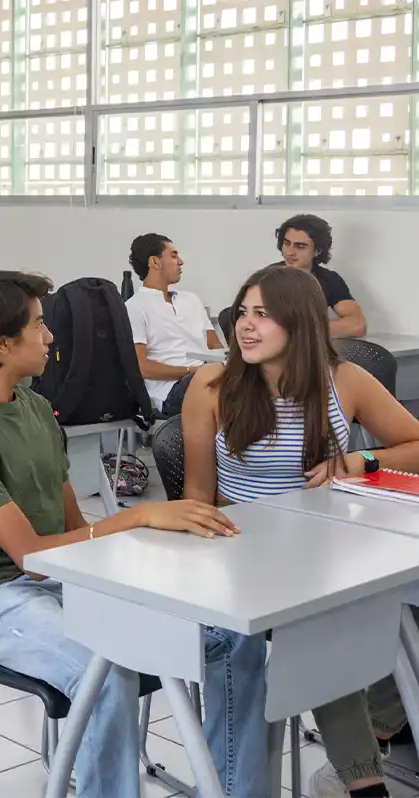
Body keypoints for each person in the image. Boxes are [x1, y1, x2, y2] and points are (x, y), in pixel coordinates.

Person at [0, 270, 269, 798]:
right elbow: (30, 558)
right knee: (105, 671)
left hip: (62, 577)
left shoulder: (38, 409)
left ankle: (235, 792)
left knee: (233, 639)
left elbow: (76, 532)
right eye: (39, 326)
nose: (50, 337)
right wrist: (138, 516)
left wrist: (150, 559)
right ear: (2, 344)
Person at [182, 264, 419, 798]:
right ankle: (365, 779)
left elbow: (414, 444)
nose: (245, 326)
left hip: (328, 547)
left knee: (373, 610)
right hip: (247, 558)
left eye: (263, 315)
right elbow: (197, 496)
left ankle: (382, 730)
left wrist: (361, 460)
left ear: (300, 324)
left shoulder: (344, 381)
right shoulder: (210, 386)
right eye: (242, 312)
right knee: (323, 625)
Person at [126, 233, 223, 416]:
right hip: (171, 391)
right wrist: (192, 371)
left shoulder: (191, 299)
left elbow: (214, 347)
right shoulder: (134, 307)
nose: (181, 261)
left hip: (208, 376)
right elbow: (142, 367)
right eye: (173, 255)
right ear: (155, 262)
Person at [276, 213, 367, 339]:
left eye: (300, 246)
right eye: (287, 243)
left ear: (318, 251)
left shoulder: (329, 280)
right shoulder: (266, 278)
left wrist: (302, 333)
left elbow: (357, 325)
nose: (290, 252)